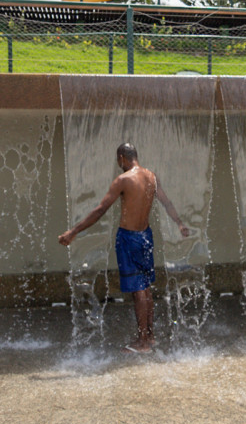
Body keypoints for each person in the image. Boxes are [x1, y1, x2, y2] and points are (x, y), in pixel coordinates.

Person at [58, 142, 190, 353]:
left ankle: (143, 342)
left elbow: (100, 209)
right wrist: (180, 223)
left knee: (138, 291)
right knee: (145, 288)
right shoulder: (152, 177)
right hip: (146, 236)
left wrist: (73, 231)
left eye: (118, 161)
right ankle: (150, 336)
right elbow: (167, 203)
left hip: (129, 239)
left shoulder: (123, 180)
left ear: (122, 158)